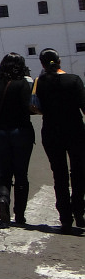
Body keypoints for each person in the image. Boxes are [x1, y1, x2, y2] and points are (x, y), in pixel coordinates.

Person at [35, 48, 85, 233]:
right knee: (78, 172)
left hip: (51, 132)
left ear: (42, 64)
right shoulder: (74, 80)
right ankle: (79, 210)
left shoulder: (39, 83)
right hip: (75, 131)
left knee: (59, 175)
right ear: (59, 61)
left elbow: (35, 106)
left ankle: (65, 217)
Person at [0, 53, 34, 225]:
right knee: (21, 174)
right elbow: (28, 108)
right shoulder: (22, 84)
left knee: (4, 173)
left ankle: (4, 199)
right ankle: (19, 214)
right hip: (20, 132)